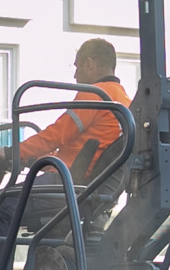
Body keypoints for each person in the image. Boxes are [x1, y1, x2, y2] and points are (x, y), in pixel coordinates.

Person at [17, 37, 131, 176]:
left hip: (66, 181)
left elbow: (57, 135)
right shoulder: (124, 101)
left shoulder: (94, 95)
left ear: (89, 64)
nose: (75, 76)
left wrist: (12, 152)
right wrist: (32, 158)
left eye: (77, 67)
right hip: (83, 182)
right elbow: (77, 150)